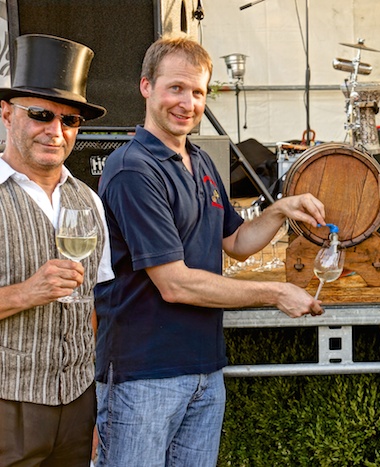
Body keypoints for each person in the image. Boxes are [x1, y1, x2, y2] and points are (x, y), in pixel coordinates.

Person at [94, 34, 326, 466]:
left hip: (204, 369)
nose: (187, 102)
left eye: (198, 92)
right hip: (143, 375)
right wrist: (275, 293)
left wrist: (280, 210)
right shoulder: (132, 169)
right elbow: (175, 284)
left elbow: (235, 243)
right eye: (175, 88)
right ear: (146, 87)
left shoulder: (200, 161)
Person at [0, 34, 112, 465]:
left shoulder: (89, 201)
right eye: (42, 114)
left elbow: (92, 309)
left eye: (70, 121)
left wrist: (92, 403)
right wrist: (27, 292)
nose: (56, 131)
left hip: (77, 406)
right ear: (6, 113)